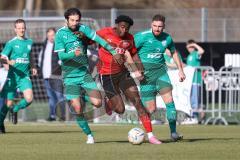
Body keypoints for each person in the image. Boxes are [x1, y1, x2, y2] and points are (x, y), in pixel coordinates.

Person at [54, 8, 119, 144]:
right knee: (77, 108)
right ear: (66, 20)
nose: (75, 23)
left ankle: (99, 100)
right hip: (70, 76)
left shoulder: (83, 29)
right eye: (72, 20)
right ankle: (89, 135)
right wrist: (73, 54)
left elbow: (99, 40)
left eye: (77, 20)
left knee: (97, 102)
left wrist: (112, 50)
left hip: (84, 74)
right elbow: (61, 56)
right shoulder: (60, 34)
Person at [96, 15, 161, 144]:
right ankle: (109, 102)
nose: (124, 30)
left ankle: (151, 135)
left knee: (137, 101)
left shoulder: (130, 38)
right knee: (120, 110)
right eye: (122, 27)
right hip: (106, 76)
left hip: (123, 74)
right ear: (117, 25)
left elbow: (134, 55)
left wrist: (140, 69)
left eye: (127, 28)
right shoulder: (104, 33)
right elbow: (89, 39)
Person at [134, 14, 186, 141]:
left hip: (161, 74)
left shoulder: (167, 38)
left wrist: (180, 70)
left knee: (170, 102)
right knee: (151, 109)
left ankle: (173, 133)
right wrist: (135, 70)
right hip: (146, 78)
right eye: (155, 26)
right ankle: (144, 131)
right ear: (151, 25)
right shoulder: (141, 37)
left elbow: (173, 52)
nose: (157, 29)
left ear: (164, 27)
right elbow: (129, 52)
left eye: (160, 27)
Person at [0, 19, 37, 133]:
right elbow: (1, 58)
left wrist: (33, 66)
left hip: (24, 77)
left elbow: (30, 57)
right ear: (15, 29)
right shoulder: (11, 43)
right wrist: (9, 62)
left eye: (23, 27)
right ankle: (0, 123)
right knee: (8, 103)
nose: (21, 30)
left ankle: (15, 109)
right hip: (12, 77)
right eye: (19, 28)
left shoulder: (29, 42)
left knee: (29, 98)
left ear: (25, 28)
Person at [38, 27, 66, 121]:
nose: (51, 37)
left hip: (56, 76)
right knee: (51, 97)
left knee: (59, 96)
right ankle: (52, 115)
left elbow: (63, 59)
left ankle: (63, 115)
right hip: (46, 76)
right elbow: (40, 59)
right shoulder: (44, 45)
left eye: (53, 35)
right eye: (49, 35)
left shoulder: (59, 45)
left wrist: (60, 66)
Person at [186, 39, 204, 122]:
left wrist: (194, 44)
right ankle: (193, 116)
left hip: (196, 81)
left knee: (195, 100)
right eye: (189, 47)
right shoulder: (189, 56)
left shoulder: (195, 54)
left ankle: (195, 117)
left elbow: (202, 51)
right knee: (191, 99)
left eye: (191, 47)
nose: (190, 48)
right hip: (190, 81)